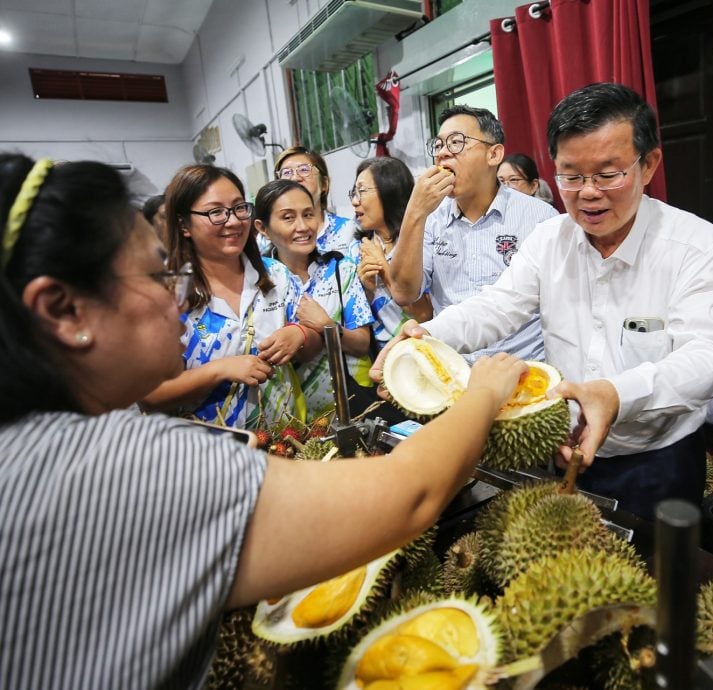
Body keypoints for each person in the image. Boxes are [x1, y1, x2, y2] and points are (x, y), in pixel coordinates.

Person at [0, 152, 528, 688]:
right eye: (158, 274)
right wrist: (481, 394)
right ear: (63, 311)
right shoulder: (129, 462)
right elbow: (408, 495)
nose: (174, 296)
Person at [373, 83, 713, 520]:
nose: (587, 192)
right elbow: (498, 306)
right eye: (570, 175)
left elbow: (712, 356)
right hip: (563, 450)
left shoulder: (696, 245)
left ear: (649, 164)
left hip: (657, 459)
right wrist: (426, 334)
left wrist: (617, 395)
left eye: (608, 174)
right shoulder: (550, 239)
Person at [141, 165, 323, 429]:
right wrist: (220, 370)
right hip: (205, 454)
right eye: (216, 212)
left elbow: (314, 342)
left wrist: (301, 335)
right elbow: (149, 396)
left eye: (239, 208)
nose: (234, 221)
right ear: (183, 225)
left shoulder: (275, 276)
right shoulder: (165, 294)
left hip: (282, 443)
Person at [388, 105, 558, 363]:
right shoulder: (431, 219)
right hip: (453, 370)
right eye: (438, 145)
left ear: (494, 154)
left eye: (456, 143)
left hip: (523, 370)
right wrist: (415, 213)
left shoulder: (540, 218)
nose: (443, 153)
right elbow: (403, 293)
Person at [251, 178, 375, 418]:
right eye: (288, 217)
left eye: (308, 214)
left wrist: (327, 326)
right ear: (262, 228)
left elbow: (361, 343)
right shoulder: (258, 282)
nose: (303, 226)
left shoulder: (340, 269)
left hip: (350, 406)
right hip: (286, 418)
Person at [351, 157, 433, 351]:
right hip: (385, 359)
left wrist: (383, 267)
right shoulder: (356, 249)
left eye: (362, 191)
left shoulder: (422, 240)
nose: (355, 201)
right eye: (353, 193)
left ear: (390, 191)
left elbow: (424, 314)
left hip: (425, 350)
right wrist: (368, 291)